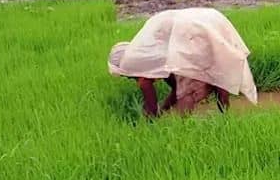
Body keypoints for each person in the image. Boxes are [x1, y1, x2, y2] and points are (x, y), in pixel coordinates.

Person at [108, 7, 258, 117]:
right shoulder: (153, 54)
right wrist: (164, 109)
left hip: (193, 31)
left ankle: (183, 131)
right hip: (208, 21)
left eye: (125, 76)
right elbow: (174, 90)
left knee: (187, 94)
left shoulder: (135, 65)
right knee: (217, 71)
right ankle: (226, 116)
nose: (128, 78)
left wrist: (149, 123)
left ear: (123, 67)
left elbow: (150, 107)